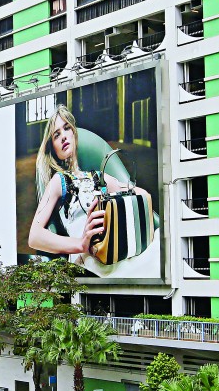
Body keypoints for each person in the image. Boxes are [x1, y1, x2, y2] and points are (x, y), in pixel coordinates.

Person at [27, 104, 151, 276]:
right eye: (56, 135)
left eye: (66, 129)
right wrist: (80, 244)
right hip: (90, 260)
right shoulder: (59, 181)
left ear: (74, 133)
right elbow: (35, 237)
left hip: (117, 249)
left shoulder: (99, 176)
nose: (63, 137)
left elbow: (141, 194)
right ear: (52, 148)